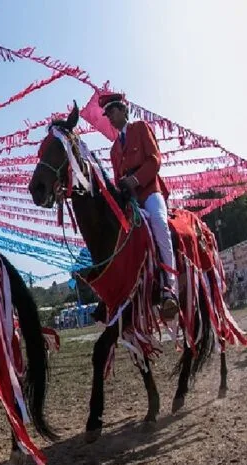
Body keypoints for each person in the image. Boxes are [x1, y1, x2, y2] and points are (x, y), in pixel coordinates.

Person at [99, 92, 178, 320]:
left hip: (149, 192)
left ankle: (169, 287)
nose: (110, 118)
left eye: (112, 112)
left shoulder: (140, 128)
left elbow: (155, 159)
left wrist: (136, 179)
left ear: (123, 110)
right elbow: (116, 179)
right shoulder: (114, 150)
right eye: (107, 115)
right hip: (130, 201)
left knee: (159, 224)